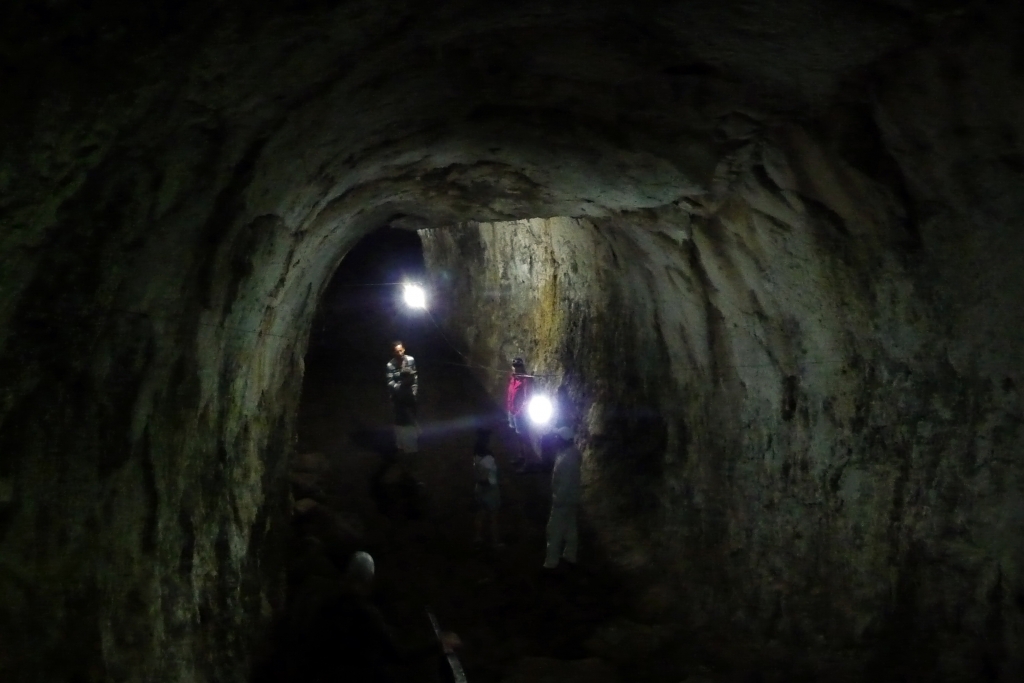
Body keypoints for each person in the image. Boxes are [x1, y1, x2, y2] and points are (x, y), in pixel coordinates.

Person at [297, 551, 462, 682]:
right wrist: (438, 644)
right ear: (369, 579)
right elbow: (398, 654)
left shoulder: (328, 607)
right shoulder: (367, 615)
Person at [544, 426, 582, 569]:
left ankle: (551, 561)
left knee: (554, 530)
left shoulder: (566, 460)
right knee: (570, 527)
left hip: (563, 500)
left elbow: (564, 484)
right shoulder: (573, 453)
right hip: (573, 497)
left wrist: (557, 500)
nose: (555, 440)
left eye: (557, 438)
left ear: (563, 440)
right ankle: (570, 554)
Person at [386, 341, 419, 473]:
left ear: (404, 349)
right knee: (400, 421)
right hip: (397, 399)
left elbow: (415, 378)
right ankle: (402, 447)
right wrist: (402, 387)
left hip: (409, 398)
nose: (399, 353)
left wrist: (413, 393)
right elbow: (390, 383)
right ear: (393, 352)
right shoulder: (390, 365)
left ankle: (410, 449)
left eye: (401, 350)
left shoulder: (410, 360)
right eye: (396, 351)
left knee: (411, 420)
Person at [471, 429, 502, 548]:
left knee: (480, 514)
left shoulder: (477, 454)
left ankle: (478, 537)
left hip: (479, 488)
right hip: (489, 489)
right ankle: (495, 542)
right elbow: (484, 477)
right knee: (493, 517)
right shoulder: (489, 458)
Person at [506, 357, 535, 472]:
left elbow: (527, 399)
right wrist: (510, 409)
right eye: (514, 366)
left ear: (522, 367)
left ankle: (528, 463)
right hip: (511, 411)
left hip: (520, 414)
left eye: (518, 366)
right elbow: (510, 394)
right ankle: (521, 456)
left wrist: (519, 412)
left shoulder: (525, 381)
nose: (516, 369)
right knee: (517, 436)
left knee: (524, 437)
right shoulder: (512, 378)